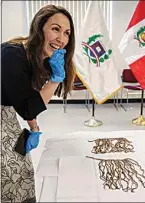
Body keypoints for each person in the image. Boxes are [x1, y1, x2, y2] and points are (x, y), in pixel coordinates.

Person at [1, 4, 76, 202]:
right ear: (39, 27)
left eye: (67, 33)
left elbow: (29, 98)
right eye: (55, 29)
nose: (61, 39)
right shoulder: (12, 54)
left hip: (6, 113)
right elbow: (27, 107)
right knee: (8, 171)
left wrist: (33, 127)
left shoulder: (39, 59)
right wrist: (55, 79)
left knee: (23, 165)